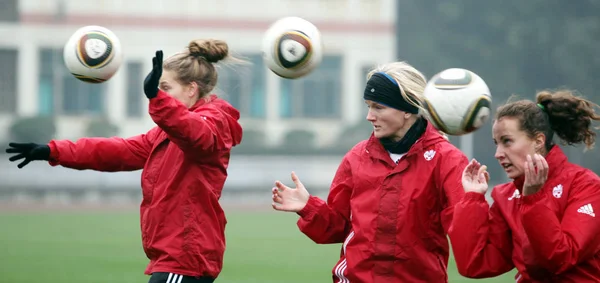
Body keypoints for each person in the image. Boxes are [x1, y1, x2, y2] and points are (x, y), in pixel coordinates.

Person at [6, 39, 243, 283]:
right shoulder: (166, 133)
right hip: (174, 257)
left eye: (165, 87)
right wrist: (53, 150)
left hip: (185, 258)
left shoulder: (213, 122)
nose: (161, 93)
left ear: (191, 89)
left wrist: (156, 98)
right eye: (159, 88)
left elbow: (195, 134)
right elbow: (116, 151)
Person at [271, 61, 469, 282]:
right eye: (368, 106)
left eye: (378, 107)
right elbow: (338, 227)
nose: (369, 116)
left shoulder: (447, 160)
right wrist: (308, 207)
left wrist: (475, 201)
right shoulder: (357, 157)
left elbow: (465, 231)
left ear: (407, 109)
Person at [449, 89, 600, 282]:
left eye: (507, 141)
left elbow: (560, 258)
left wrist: (533, 199)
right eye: (497, 143)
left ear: (538, 141)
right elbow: (474, 264)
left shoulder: (586, 186)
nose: (498, 153)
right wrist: (472, 198)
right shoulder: (507, 196)